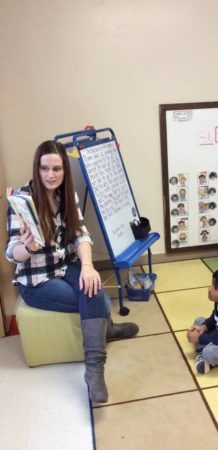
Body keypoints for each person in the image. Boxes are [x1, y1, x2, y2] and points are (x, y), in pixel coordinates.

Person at [5, 140, 139, 404]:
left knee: (92, 286)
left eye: (56, 169)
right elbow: (11, 253)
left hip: (66, 266)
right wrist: (28, 247)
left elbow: (81, 235)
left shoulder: (66, 196)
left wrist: (88, 266)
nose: (50, 175)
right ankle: (97, 365)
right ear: (37, 168)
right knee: (97, 299)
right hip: (36, 280)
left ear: (65, 170)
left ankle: (94, 369)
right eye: (44, 168)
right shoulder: (22, 201)